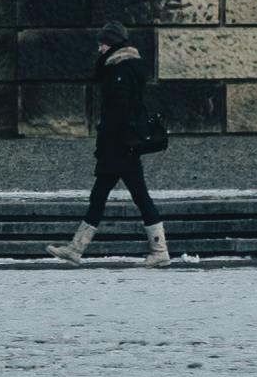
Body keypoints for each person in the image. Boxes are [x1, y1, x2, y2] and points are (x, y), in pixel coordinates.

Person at [50, 20, 173, 261]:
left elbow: (119, 111)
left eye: (103, 44)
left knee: (110, 196)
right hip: (123, 146)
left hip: (118, 146)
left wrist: (107, 142)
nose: (100, 48)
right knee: (129, 196)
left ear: (113, 44)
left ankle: (77, 249)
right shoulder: (125, 67)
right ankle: (159, 250)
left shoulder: (120, 70)